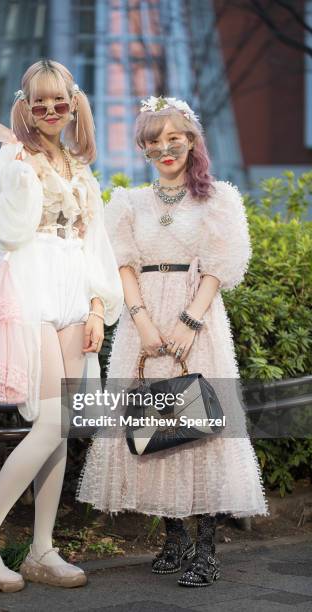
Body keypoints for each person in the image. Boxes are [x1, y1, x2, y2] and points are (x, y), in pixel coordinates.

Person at [0, 59, 123, 592]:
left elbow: (95, 246)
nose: (49, 111)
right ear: (24, 105)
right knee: (49, 421)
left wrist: (94, 309)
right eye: (37, 101)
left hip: (71, 299)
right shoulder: (11, 158)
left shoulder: (80, 168)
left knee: (62, 423)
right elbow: (6, 231)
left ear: (74, 103)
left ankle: (42, 549)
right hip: (31, 293)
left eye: (58, 101)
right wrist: (18, 172)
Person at [76, 96, 269, 587]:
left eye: (173, 139)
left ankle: (206, 548)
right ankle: (173, 538)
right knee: (152, 421)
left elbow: (219, 267)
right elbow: (121, 264)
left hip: (196, 319)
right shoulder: (127, 203)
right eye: (153, 141)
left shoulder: (217, 198)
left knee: (198, 424)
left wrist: (189, 321)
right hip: (143, 322)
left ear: (191, 140)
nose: (164, 148)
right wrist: (141, 323)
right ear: (143, 147)